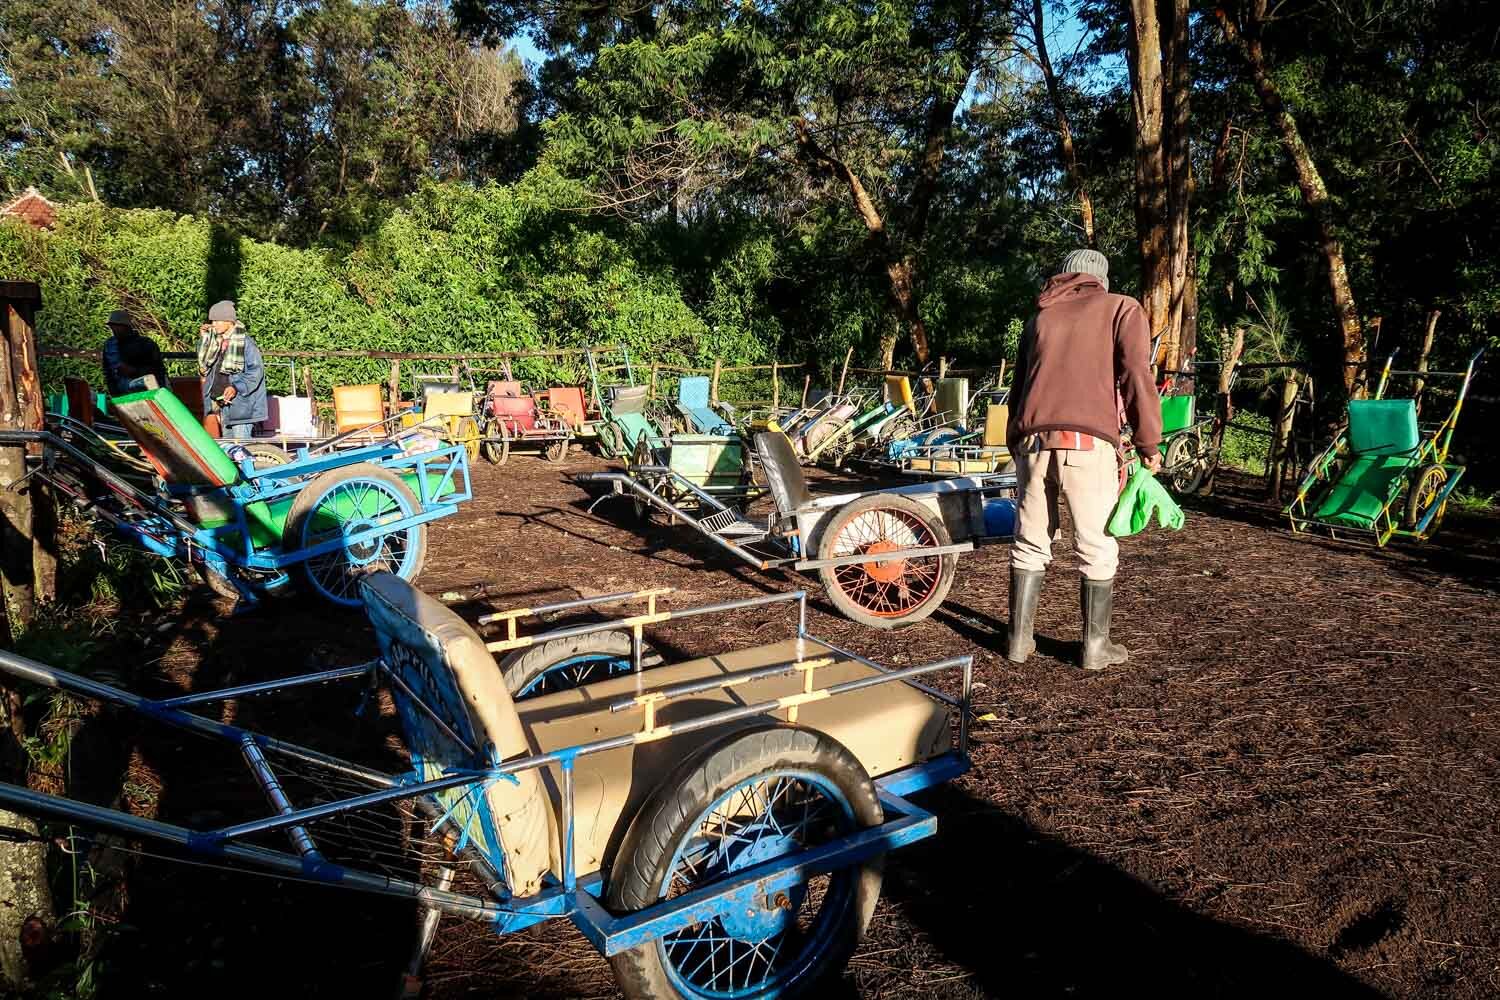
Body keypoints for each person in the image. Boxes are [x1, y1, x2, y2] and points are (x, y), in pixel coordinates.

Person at [1005, 249, 1162, 671]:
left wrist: (1013, 442)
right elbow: (1136, 376)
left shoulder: (1038, 317)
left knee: (1030, 542)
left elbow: (1018, 387)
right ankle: (1095, 647)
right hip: (1088, 445)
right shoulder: (1121, 308)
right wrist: (1149, 444)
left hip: (1033, 443)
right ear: (1100, 279)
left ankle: (1018, 642)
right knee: (1095, 545)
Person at [197, 300, 266, 439]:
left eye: (218, 321)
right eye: (212, 321)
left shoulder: (245, 343)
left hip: (241, 405)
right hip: (223, 403)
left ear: (229, 321)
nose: (213, 324)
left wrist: (236, 387)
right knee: (230, 449)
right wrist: (204, 339)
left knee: (242, 448)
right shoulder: (215, 341)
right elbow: (204, 364)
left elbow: (256, 372)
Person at [101, 310, 169, 397]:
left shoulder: (146, 344)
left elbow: (157, 369)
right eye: (112, 326)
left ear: (126, 326)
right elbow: (107, 371)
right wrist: (115, 394)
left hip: (145, 384)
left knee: (149, 380)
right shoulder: (109, 345)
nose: (113, 329)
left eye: (116, 326)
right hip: (121, 388)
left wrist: (134, 371)